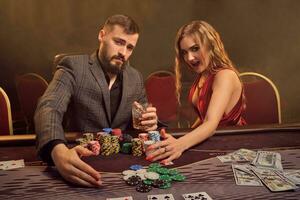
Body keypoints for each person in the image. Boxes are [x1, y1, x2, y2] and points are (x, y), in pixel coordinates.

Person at [34, 14, 158, 187]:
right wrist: (57, 149)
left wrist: (150, 123)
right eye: (119, 42)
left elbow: (141, 121)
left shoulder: (135, 77)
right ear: (102, 35)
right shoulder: (73, 66)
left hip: (122, 166)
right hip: (79, 159)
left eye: (130, 47)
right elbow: (49, 107)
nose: (123, 53)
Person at [146, 20, 246, 164]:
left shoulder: (225, 76)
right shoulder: (203, 75)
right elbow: (205, 117)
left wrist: (179, 144)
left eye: (195, 48)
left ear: (211, 45)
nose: (189, 58)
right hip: (212, 143)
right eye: (184, 52)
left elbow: (211, 123)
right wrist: (181, 137)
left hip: (234, 146)